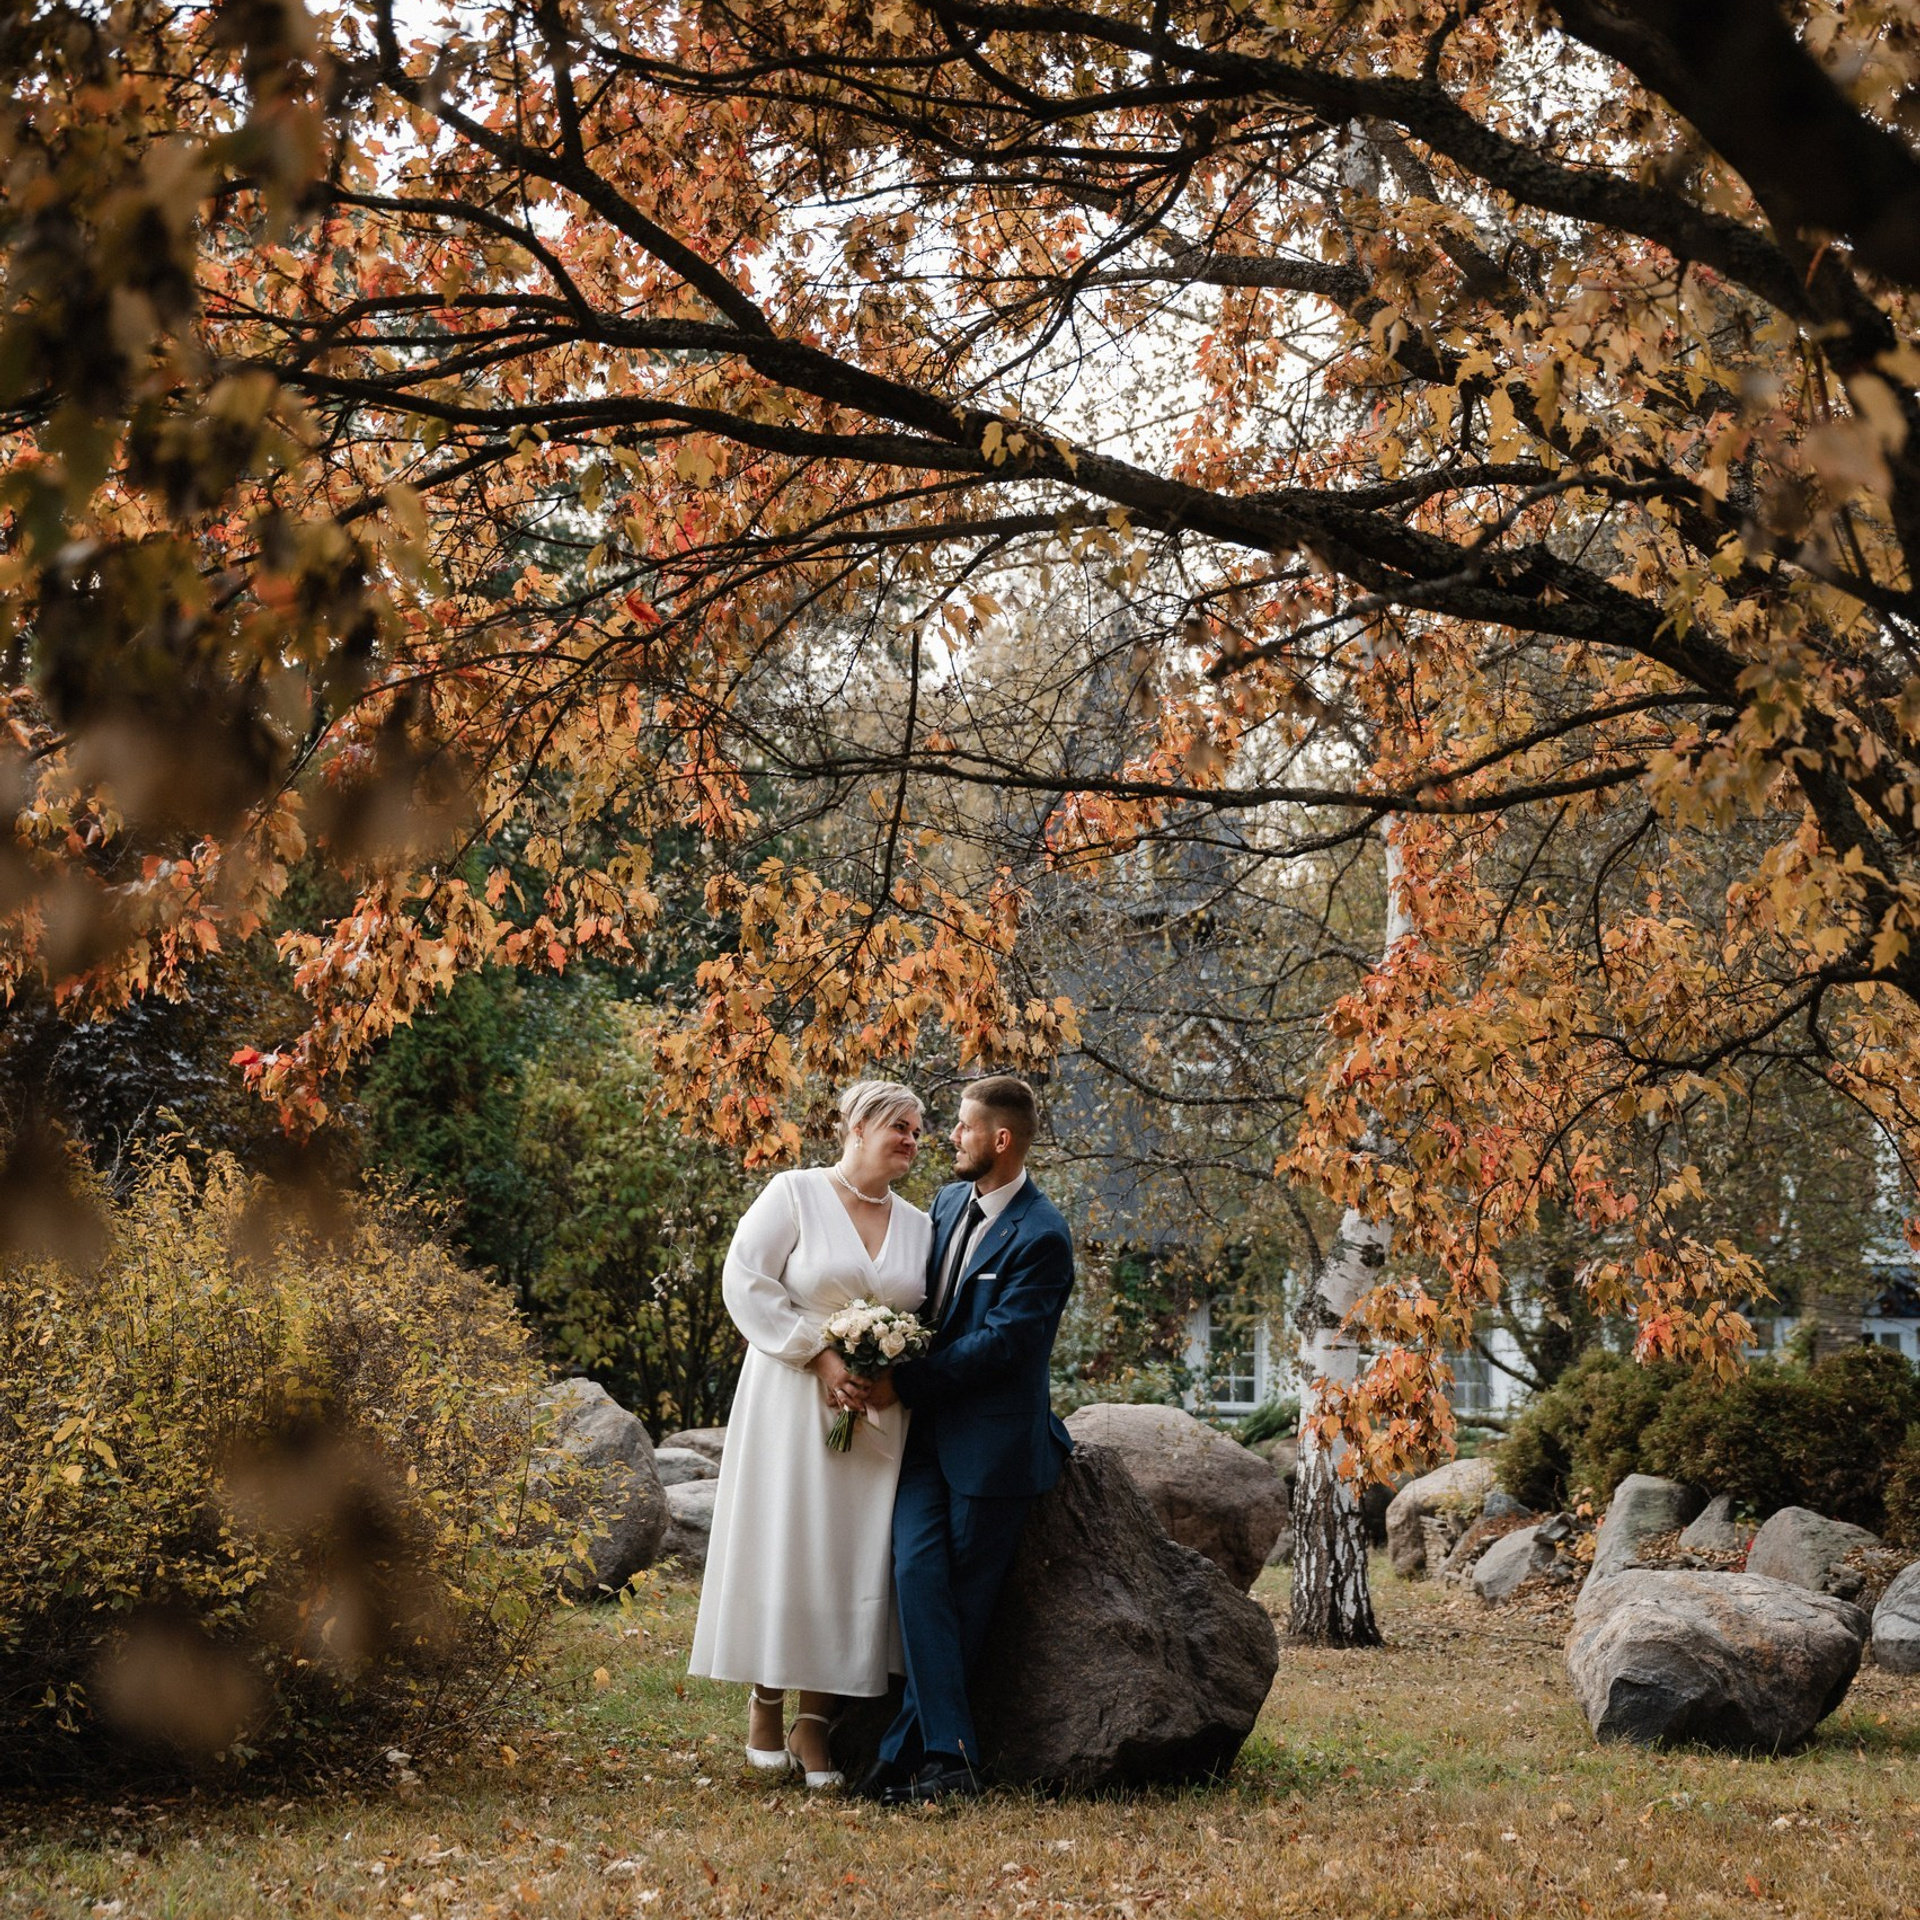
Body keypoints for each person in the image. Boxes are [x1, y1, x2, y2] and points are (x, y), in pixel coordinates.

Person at [686, 1080, 932, 1789]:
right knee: (788, 1542)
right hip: (791, 1399)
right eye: (899, 1126)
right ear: (856, 1127)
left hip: (877, 1418)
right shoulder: (793, 1192)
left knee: (853, 1557)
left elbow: (927, 1312)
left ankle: (815, 1723)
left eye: (918, 1129)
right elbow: (746, 1279)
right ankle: (765, 1703)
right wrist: (821, 1354)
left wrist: (889, 1366)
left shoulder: (919, 1224)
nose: (912, 1140)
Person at [856, 1073, 1075, 1805]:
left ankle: (924, 1764)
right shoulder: (948, 1203)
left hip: (995, 1454)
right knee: (916, 1576)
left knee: (963, 1604)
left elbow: (1003, 1346)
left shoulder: (1043, 1236)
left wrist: (906, 1384)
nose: (950, 1137)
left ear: (1000, 1140)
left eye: (962, 1127)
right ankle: (941, 1757)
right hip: (923, 1439)